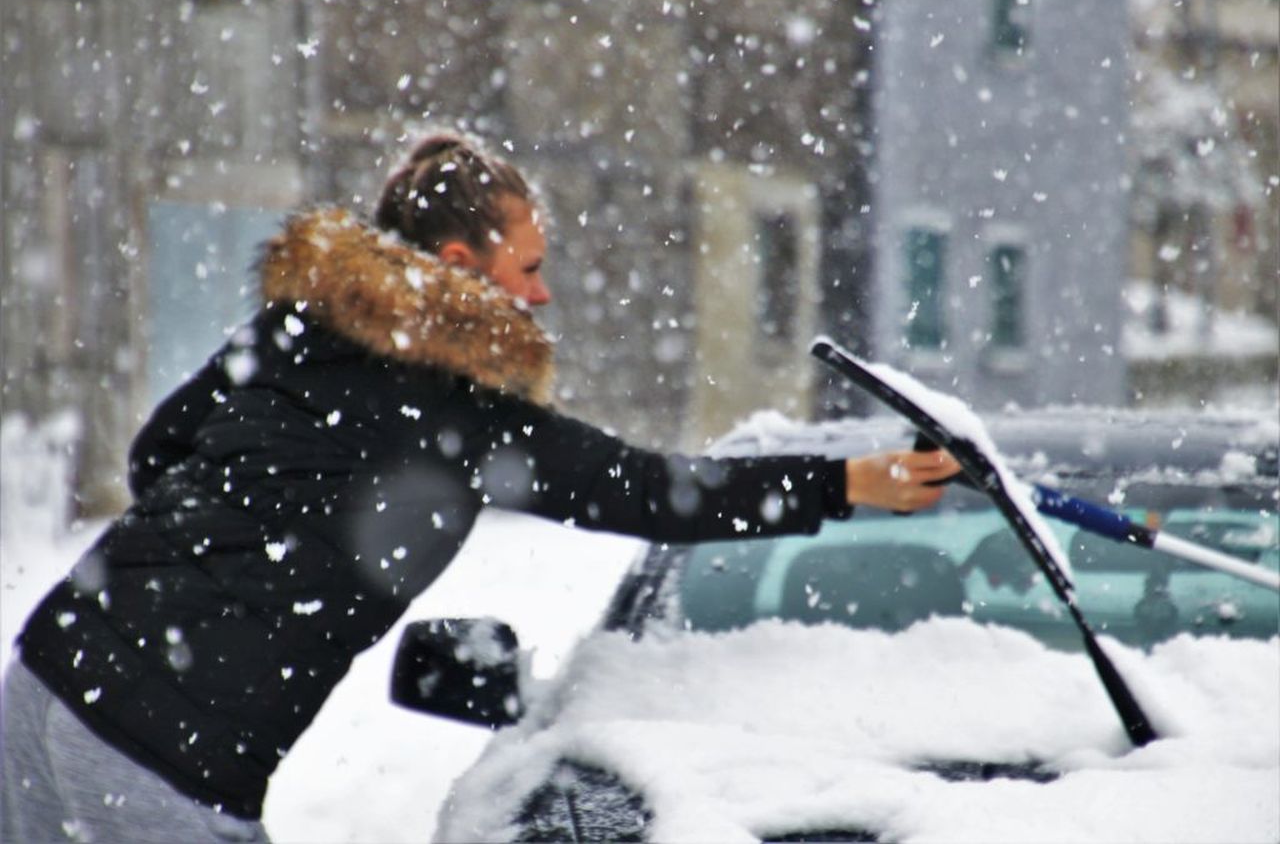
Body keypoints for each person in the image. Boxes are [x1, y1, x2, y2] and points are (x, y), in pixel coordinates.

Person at [1, 132, 960, 842]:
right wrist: (846, 483)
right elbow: (648, 488)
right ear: (461, 266)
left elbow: (158, 455)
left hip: (45, 677)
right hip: (161, 749)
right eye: (529, 268)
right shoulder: (456, 411)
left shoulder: (295, 331)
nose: (540, 295)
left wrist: (230, 546)